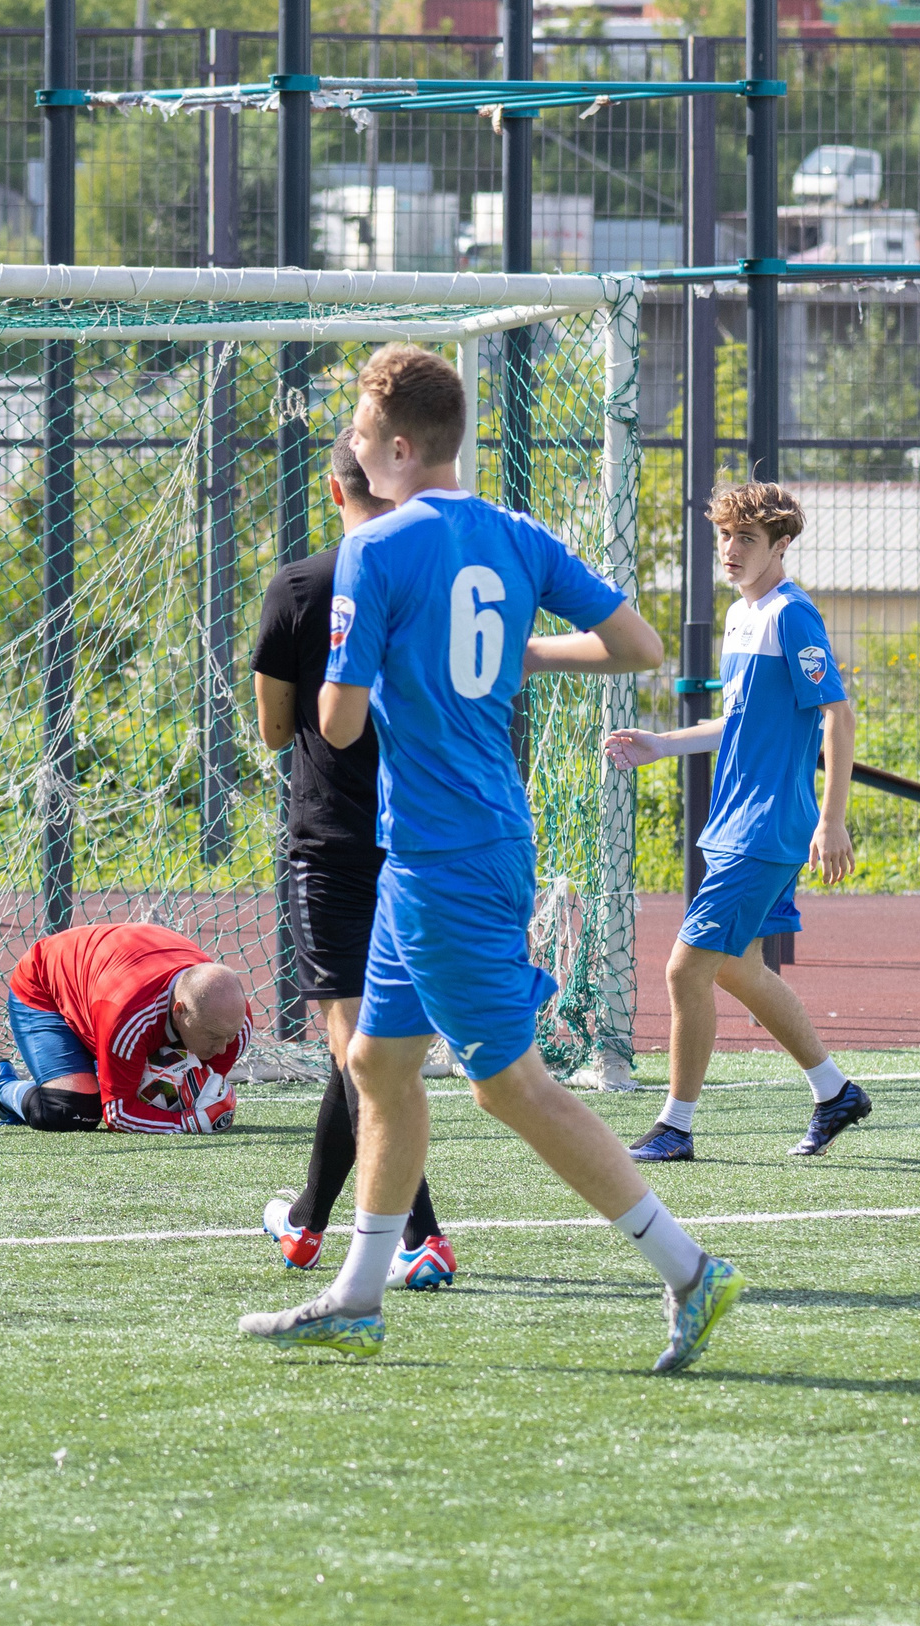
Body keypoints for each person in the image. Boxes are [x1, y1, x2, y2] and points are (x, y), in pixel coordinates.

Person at [236, 345, 745, 1374]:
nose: (357, 454)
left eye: (364, 437)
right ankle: (359, 1293)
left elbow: (332, 727)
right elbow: (639, 645)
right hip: (449, 844)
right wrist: (521, 652)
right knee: (377, 1063)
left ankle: (690, 1268)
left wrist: (367, 661)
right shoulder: (511, 533)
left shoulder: (376, 551)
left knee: (506, 1085)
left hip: (444, 853)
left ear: (397, 446)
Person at [603, 481, 869, 1161]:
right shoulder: (742, 615)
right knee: (737, 969)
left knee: (684, 971)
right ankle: (834, 1091)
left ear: (780, 546)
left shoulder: (791, 615)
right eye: (723, 535)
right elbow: (745, 722)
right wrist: (664, 745)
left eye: (746, 538)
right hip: (737, 825)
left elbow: (838, 715)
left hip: (766, 828)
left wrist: (832, 820)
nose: (729, 549)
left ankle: (676, 1126)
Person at [249, 425, 453, 1287]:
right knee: (382, 1050)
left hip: (332, 841)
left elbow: (271, 732)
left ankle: (417, 1234)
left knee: (358, 1051)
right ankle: (308, 1222)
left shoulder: (297, 586)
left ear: (337, 492)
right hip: (426, 836)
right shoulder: (437, 578)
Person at [0, 923, 248, 1135]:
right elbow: (119, 1115)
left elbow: (200, 1087)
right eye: (213, 1036)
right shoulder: (131, 1018)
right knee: (72, 1111)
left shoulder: (230, 1019)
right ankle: (4, 1088)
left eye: (231, 1036)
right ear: (179, 1011)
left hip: (107, 984)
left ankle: (103, 1070)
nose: (223, 1048)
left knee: (155, 1087)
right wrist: (186, 1124)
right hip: (45, 985)